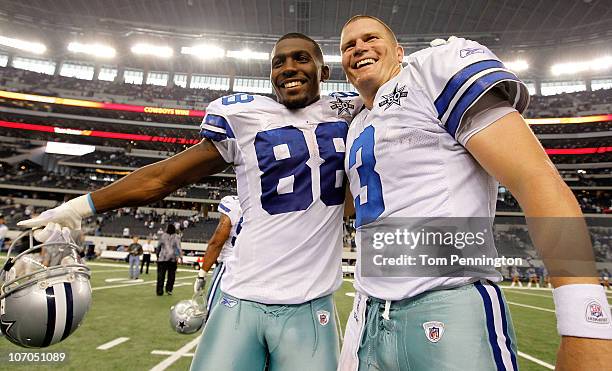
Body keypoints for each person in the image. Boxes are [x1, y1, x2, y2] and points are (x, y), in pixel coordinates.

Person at [18, 32, 361, 371]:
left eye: (301, 58)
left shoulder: (350, 109)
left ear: (324, 72)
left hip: (310, 305)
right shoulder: (245, 118)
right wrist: (77, 207)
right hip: (241, 297)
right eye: (278, 63)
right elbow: (163, 177)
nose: (288, 67)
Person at [338, 15, 611, 371]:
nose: (358, 47)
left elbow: (536, 180)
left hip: (447, 305)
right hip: (368, 314)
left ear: (400, 52)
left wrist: (585, 324)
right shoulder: (355, 122)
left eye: (370, 38)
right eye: (347, 45)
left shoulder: (430, 72)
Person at [196, 195, 242, 321]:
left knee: (212, 314)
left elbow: (217, 242)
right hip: (255, 268)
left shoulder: (233, 204)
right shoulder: (266, 203)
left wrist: (202, 273)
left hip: (230, 265)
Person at [156, 224, 183, 295]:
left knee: (161, 276)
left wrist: (157, 254)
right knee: (171, 276)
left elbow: (158, 246)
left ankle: (159, 290)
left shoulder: (163, 236)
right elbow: (178, 247)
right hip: (172, 259)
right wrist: (181, 256)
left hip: (163, 258)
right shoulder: (177, 237)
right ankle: (169, 289)